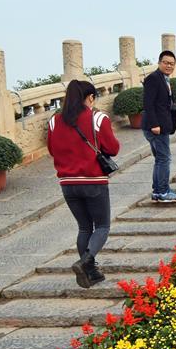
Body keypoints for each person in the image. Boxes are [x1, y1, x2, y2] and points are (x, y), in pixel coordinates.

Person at [47, 80, 121, 287]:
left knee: (84, 227)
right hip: (93, 181)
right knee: (103, 226)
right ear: (90, 98)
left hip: (67, 183)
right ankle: (86, 261)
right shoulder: (97, 118)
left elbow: (53, 150)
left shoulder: (55, 121)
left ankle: (91, 274)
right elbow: (113, 148)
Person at [142, 50, 176, 203]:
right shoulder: (153, 78)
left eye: (172, 64)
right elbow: (148, 103)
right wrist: (154, 124)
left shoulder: (164, 79)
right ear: (159, 63)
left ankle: (158, 190)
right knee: (164, 159)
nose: (169, 66)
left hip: (161, 124)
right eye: (166, 63)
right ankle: (163, 192)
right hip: (155, 127)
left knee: (160, 159)